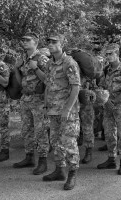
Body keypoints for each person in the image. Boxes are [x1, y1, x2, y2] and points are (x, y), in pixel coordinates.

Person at [42, 33, 81, 190]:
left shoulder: (69, 63)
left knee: (69, 142)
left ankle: (72, 174)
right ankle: (59, 170)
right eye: (49, 42)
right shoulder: (50, 64)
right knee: (56, 141)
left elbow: (76, 87)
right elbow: (48, 85)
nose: (50, 44)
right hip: (52, 110)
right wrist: (45, 105)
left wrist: (67, 109)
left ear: (62, 44)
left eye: (54, 42)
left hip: (67, 112)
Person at [13, 32, 50, 175]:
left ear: (35, 42)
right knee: (26, 129)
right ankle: (29, 157)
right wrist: (16, 68)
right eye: (23, 39)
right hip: (26, 98)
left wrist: (35, 68)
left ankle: (43, 161)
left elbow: (48, 80)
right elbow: (20, 79)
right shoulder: (23, 58)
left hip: (38, 100)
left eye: (27, 40)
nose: (24, 42)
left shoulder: (42, 58)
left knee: (40, 131)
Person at [97, 43, 121, 175]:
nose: (108, 56)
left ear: (117, 54)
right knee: (109, 134)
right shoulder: (106, 70)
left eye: (110, 54)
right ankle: (111, 159)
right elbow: (101, 86)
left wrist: (113, 101)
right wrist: (103, 99)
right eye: (107, 54)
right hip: (108, 107)